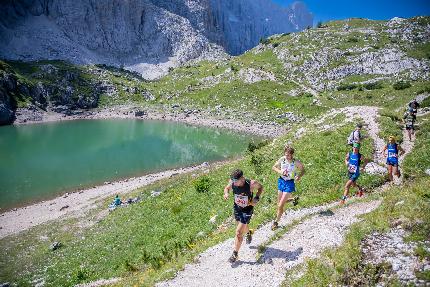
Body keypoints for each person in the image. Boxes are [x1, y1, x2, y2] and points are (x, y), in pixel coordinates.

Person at [223, 169, 263, 263]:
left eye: (235, 181)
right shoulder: (232, 182)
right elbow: (227, 188)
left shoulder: (251, 183)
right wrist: (226, 193)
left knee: (238, 232)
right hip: (237, 208)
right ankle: (249, 233)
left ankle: (235, 254)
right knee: (242, 227)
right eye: (233, 181)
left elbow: (261, 188)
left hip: (247, 209)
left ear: (242, 178)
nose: (234, 183)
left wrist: (256, 198)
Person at [271, 146, 305, 230]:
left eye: (288, 155)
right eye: (286, 155)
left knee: (280, 206)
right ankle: (293, 199)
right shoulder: (282, 159)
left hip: (289, 183)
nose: (287, 157)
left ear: (292, 155)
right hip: (281, 181)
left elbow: (303, 170)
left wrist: (299, 176)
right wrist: (280, 171)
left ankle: (276, 222)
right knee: (279, 203)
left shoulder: (295, 162)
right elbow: (273, 167)